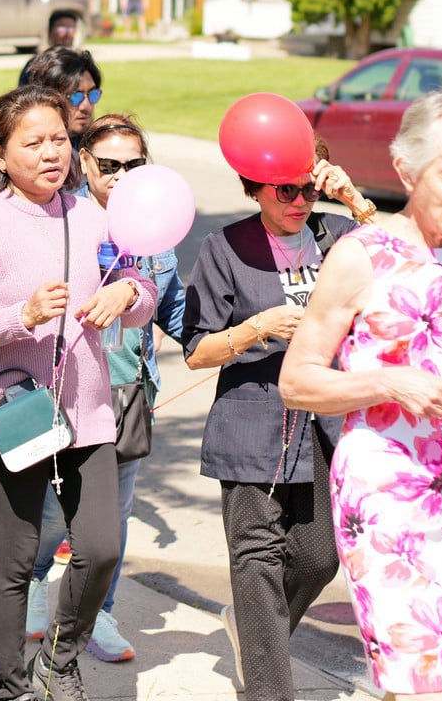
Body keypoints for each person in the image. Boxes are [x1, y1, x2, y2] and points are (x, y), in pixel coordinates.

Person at [279, 88, 442, 701]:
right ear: (407, 171)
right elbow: (297, 380)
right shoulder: (360, 258)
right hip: (384, 491)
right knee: (413, 676)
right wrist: (386, 380)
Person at [0, 86, 157, 701]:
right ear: (1, 155)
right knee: (16, 559)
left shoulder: (94, 217)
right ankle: (12, 688)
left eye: (59, 138)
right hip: (16, 416)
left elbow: (140, 291)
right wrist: (20, 314)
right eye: (32, 143)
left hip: (87, 414)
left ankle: (62, 660)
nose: (50, 152)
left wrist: (128, 296)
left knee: (102, 549)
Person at [181, 135, 373, 696]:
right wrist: (255, 328)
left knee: (317, 560)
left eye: (311, 186)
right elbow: (196, 351)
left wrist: (356, 201)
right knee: (257, 557)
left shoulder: (340, 236)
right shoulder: (226, 247)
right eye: (286, 188)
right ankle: (268, 687)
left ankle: (252, 623)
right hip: (252, 420)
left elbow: (405, 268)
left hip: (322, 421)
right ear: (256, 185)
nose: (301, 199)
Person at [24, 113, 187, 664]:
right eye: (109, 164)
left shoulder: (155, 237)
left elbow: (179, 314)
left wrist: (242, 335)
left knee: (112, 520)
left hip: (127, 396)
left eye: (133, 164)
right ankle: (36, 584)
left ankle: (99, 615)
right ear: (86, 163)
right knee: (52, 509)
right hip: (63, 391)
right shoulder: (62, 221)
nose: (120, 175)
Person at [24, 46, 101, 153]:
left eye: (93, 94)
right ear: (47, 99)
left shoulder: (100, 148)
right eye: (76, 96)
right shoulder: (36, 156)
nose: (86, 106)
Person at [18, 10, 81, 85]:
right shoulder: (36, 64)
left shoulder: (79, 63)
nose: (67, 35)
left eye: (71, 30)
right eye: (62, 29)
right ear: (50, 32)